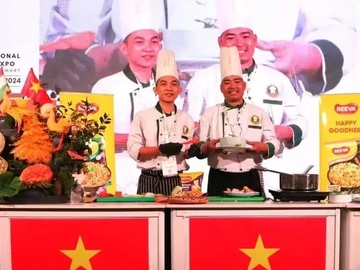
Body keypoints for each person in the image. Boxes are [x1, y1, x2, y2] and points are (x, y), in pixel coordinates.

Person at [185, 0, 306, 153]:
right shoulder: (202, 79)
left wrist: (280, 132)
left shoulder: (277, 79)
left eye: (245, 36)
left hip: (269, 166)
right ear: (220, 42)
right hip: (218, 164)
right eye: (230, 37)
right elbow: (188, 125)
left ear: (254, 40)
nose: (239, 43)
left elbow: (299, 120)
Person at [90, 0, 164, 194]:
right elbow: (95, 139)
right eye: (139, 42)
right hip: (119, 174)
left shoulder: (168, 87)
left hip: (163, 175)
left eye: (154, 42)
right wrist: (142, 142)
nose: (148, 48)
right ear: (124, 48)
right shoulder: (105, 86)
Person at [188, 46, 280, 196]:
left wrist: (262, 147)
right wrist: (208, 147)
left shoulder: (259, 113)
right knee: (216, 219)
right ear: (221, 88)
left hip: (251, 176)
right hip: (219, 177)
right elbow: (200, 145)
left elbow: (275, 144)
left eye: (237, 81)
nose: (232, 86)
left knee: (251, 219)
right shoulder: (210, 113)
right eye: (227, 82)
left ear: (244, 86)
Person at [127, 50, 195, 195]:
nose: (169, 88)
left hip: (176, 179)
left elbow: (186, 151)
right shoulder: (142, 116)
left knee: (176, 217)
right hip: (149, 179)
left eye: (173, 84)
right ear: (155, 90)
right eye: (163, 84)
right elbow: (134, 149)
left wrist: (193, 152)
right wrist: (159, 150)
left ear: (179, 89)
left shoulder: (187, 119)